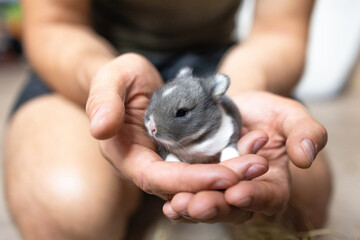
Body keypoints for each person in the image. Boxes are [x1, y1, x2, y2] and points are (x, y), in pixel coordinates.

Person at [4, 0, 331, 239]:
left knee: (303, 197)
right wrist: (103, 81)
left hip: (219, 60)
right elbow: (55, 24)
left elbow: (280, 31)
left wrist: (243, 83)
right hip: (90, 54)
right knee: (66, 204)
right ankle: (136, 210)